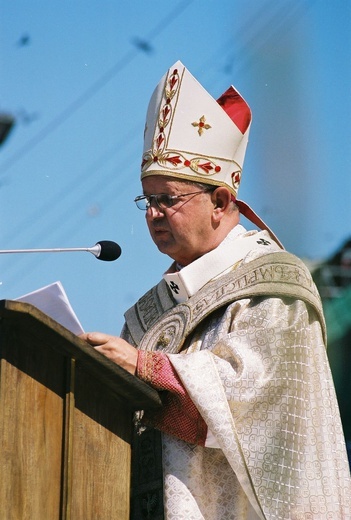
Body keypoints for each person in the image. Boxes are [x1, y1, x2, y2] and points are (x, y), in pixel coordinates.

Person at [81, 61, 351, 519]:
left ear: (222, 201)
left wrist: (147, 367)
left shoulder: (276, 287)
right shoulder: (153, 311)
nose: (154, 214)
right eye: (148, 200)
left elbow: (258, 418)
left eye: (169, 199)